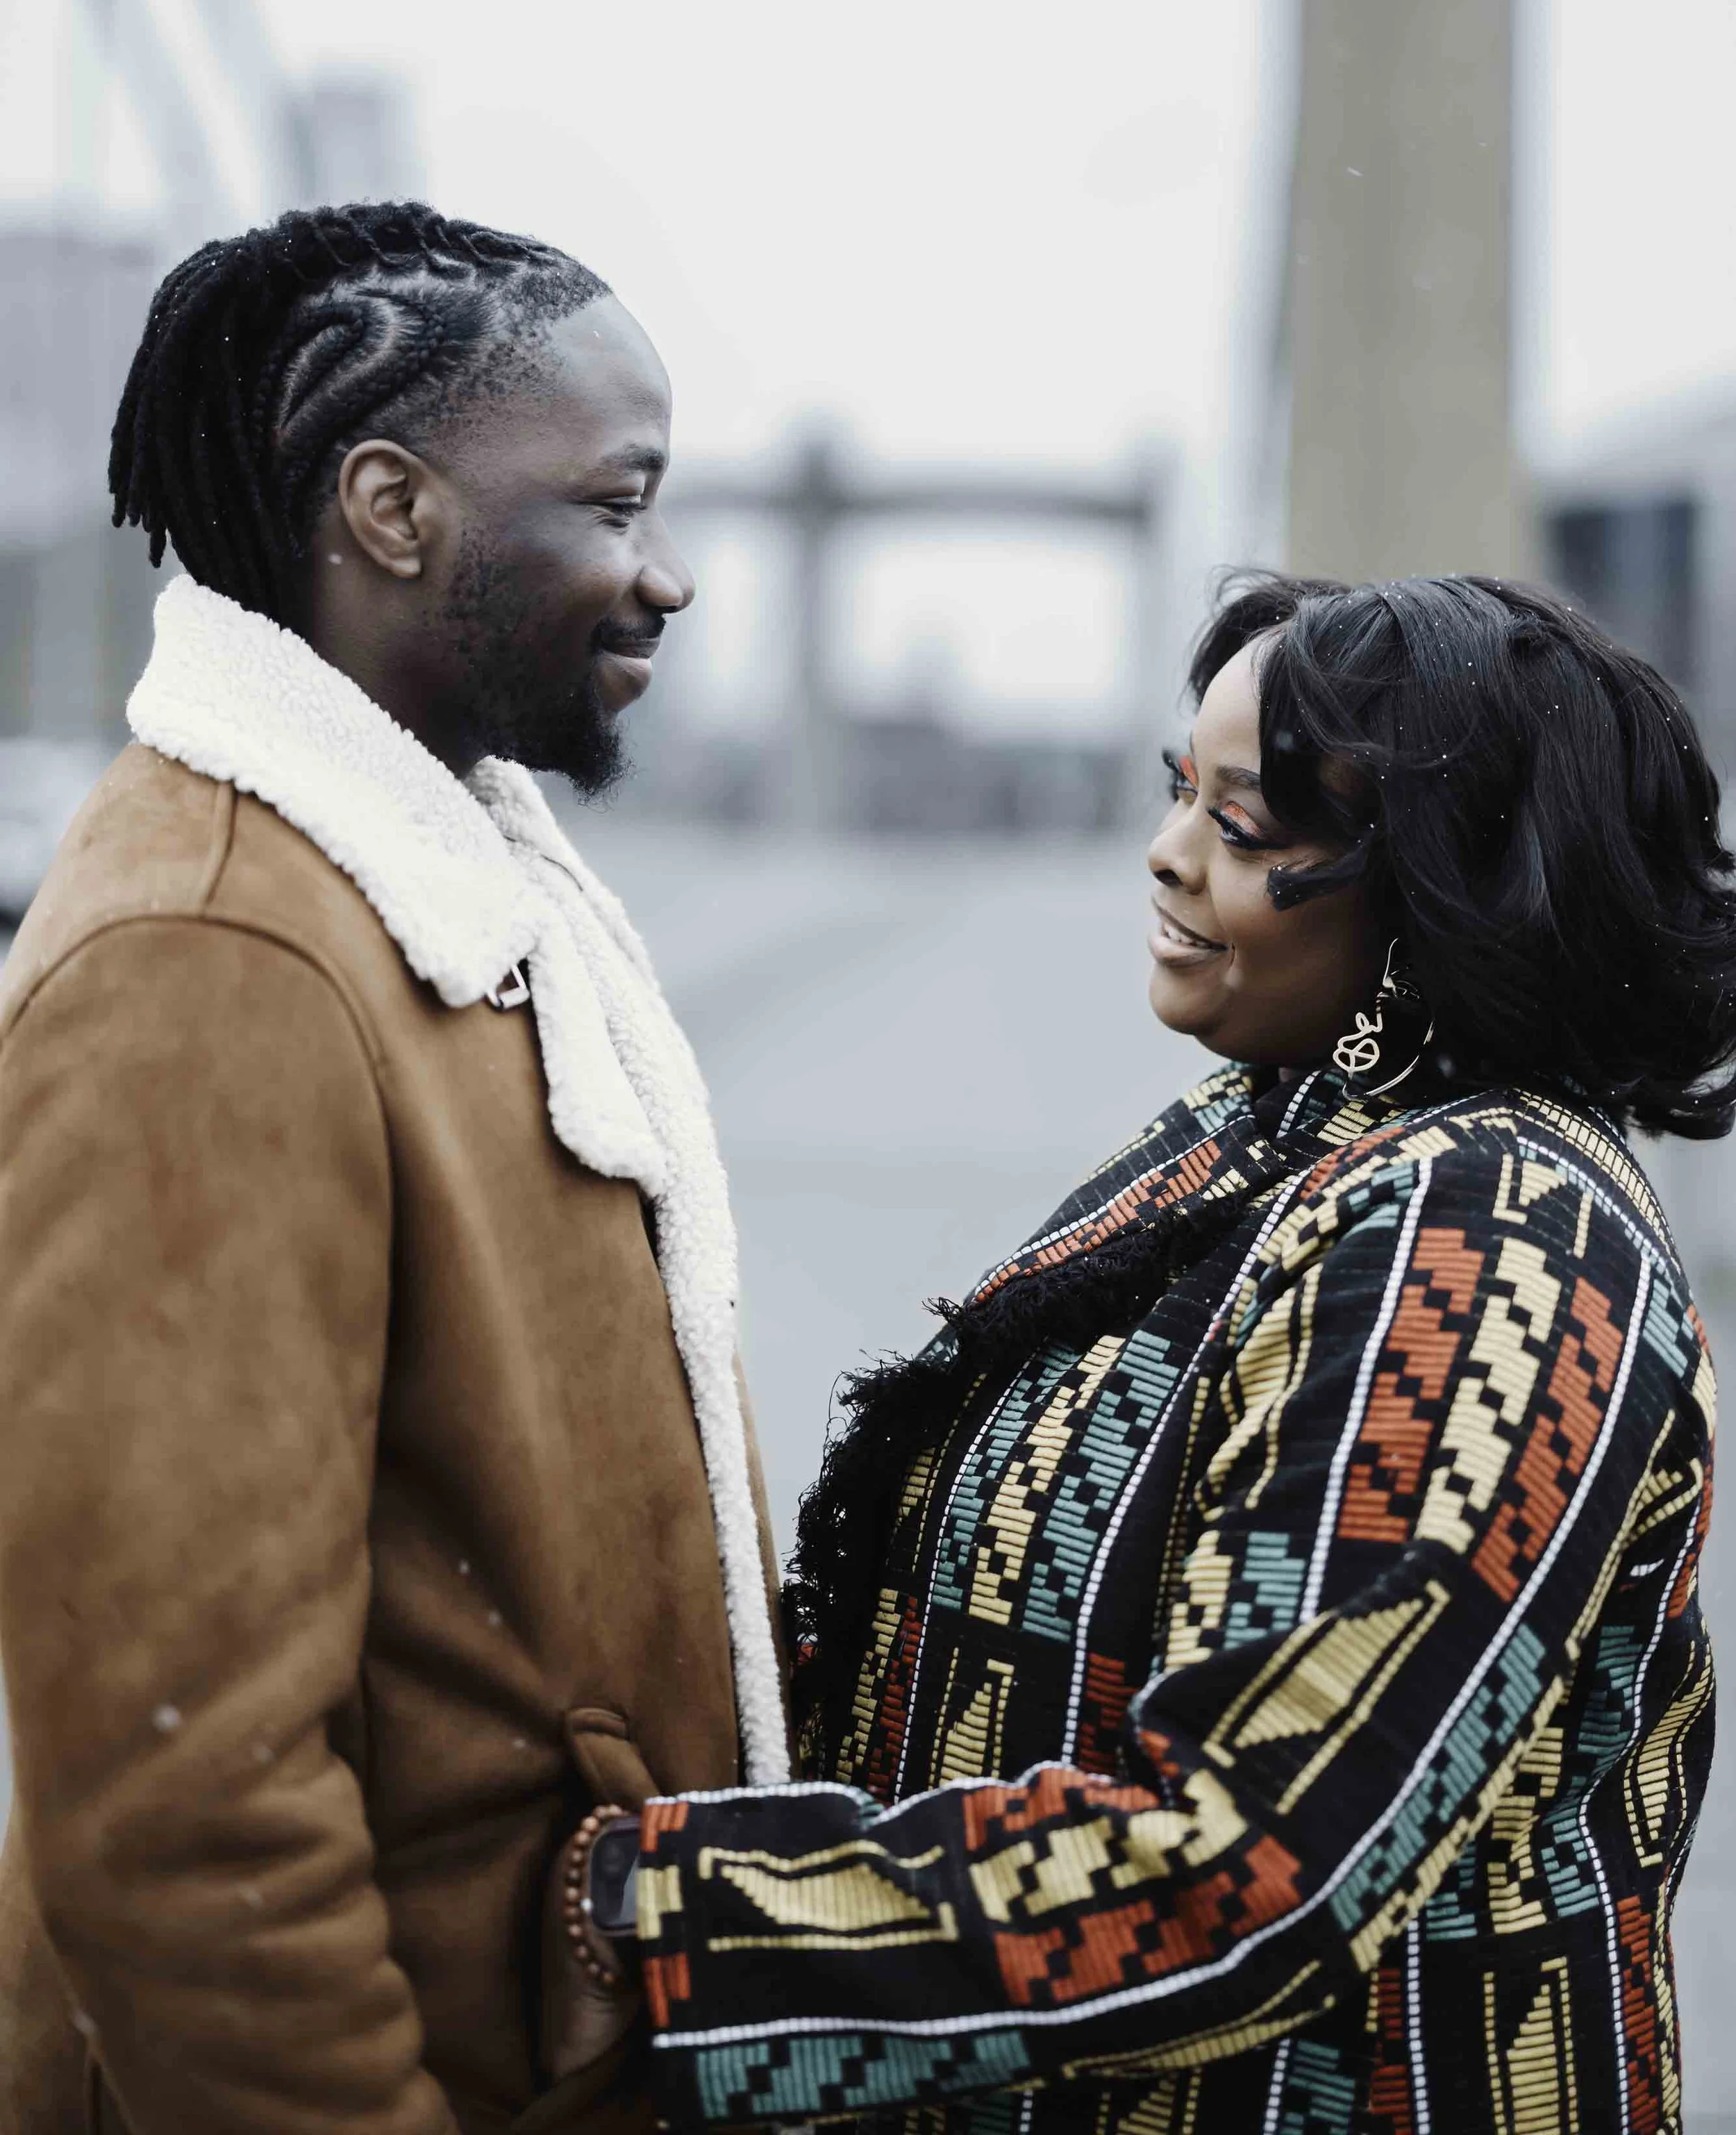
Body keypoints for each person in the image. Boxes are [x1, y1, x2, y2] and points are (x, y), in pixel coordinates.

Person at [567, 572, 1726, 2135]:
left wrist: (664, 1923)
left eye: (1244, 825)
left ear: (1437, 891)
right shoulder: (1278, 1131)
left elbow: (1248, 1867)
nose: (1170, 852)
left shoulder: (1495, 1230)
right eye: (1181, 790)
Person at [0, 203, 790, 2135]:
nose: (667, 575)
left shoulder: (445, 891)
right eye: (615, 503)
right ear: (392, 508)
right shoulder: (212, 957)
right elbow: (183, 1805)